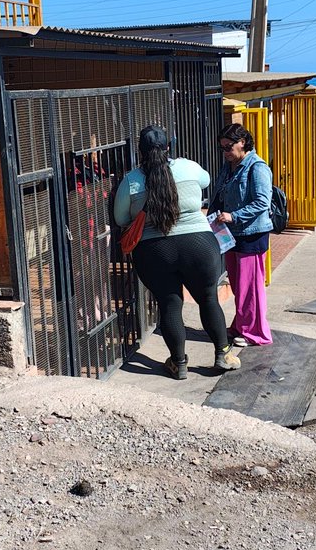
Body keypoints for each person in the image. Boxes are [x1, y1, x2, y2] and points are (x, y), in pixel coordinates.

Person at [113, 125, 240, 379]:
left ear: (140, 150)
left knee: (169, 305)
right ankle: (222, 354)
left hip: (153, 251)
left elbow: (120, 217)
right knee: (207, 298)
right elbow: (205, 180)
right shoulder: (188, 167)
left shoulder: (132, 180)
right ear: (169, 147)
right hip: (199, 246)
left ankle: (178, 362)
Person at [209, 123, 273, 346]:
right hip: (232, 234)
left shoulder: (257, 167)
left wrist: (233, 215)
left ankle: (252, 332)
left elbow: (262, 202)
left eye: (229, 147)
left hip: (251, 234)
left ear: (242, 142)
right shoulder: (230, 166)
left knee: (249, 287)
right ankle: (242, 324)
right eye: (223, 148)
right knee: (238, 285)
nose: (226, 152)